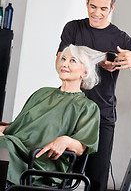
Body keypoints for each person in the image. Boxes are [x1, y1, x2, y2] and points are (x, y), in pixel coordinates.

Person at [56, 0, 131, 191]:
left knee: (96, 182)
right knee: (57, 177)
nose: (97, 13)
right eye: (93, 6)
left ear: (112, 7)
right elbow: (58, 63)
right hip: (69, 113)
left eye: (103, 8)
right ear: (86, 2)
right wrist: (96, 61)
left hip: (102, 118)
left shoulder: (120, 39)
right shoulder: (73, 29)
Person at [0, 44, 106, 188]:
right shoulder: (41, 93)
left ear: (85, 72)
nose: (64, 64)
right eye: (63, 59)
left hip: (40, 164)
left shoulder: (87, 107)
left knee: (3, 146)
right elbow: (18, 126)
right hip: (12, 147)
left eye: (73, 61)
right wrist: (3, 130)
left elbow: (82, 147)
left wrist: (66, 140)